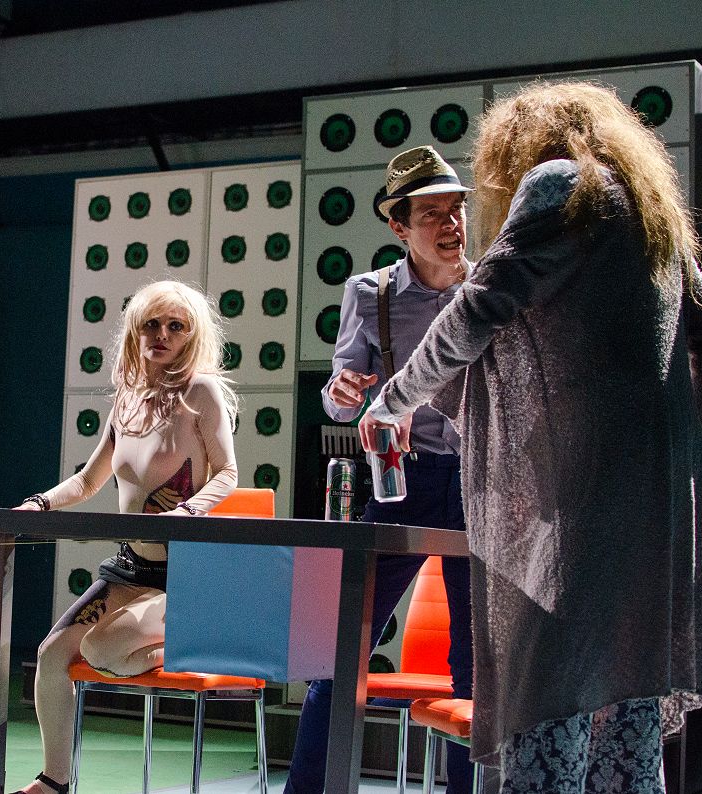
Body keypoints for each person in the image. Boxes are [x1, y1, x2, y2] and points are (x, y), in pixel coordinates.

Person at [361, 82, 702, 791]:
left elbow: (477, 310)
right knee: (629, 724)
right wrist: (682, 442)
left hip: (582, 499)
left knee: (548, 702)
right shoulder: (649, 210)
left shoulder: (560, 185)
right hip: (663, 512)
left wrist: (392, 399)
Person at [284, 145, 476, 793]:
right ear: (399, 226)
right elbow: (340, 392)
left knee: (475, 662)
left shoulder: (488, 288)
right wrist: (342, 392)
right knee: (344, 648)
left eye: (456, 210)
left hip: (479, 484)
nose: (451, 224)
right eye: (432, 214)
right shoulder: (371, 294)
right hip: (402, 482)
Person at [10, 280, 239, 794]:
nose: (161, 335)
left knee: (100, 650)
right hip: (130, 569)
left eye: (175, 326)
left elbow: (228, 472)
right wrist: (39, 503)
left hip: (184, 576)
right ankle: (54, 781)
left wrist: (189, 510)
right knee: (51, 655)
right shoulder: (128, 399)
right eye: (150, 325)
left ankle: (199, 641)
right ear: (135, 331)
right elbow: (87, 481)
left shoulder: (201, 392)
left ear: (193, 335)